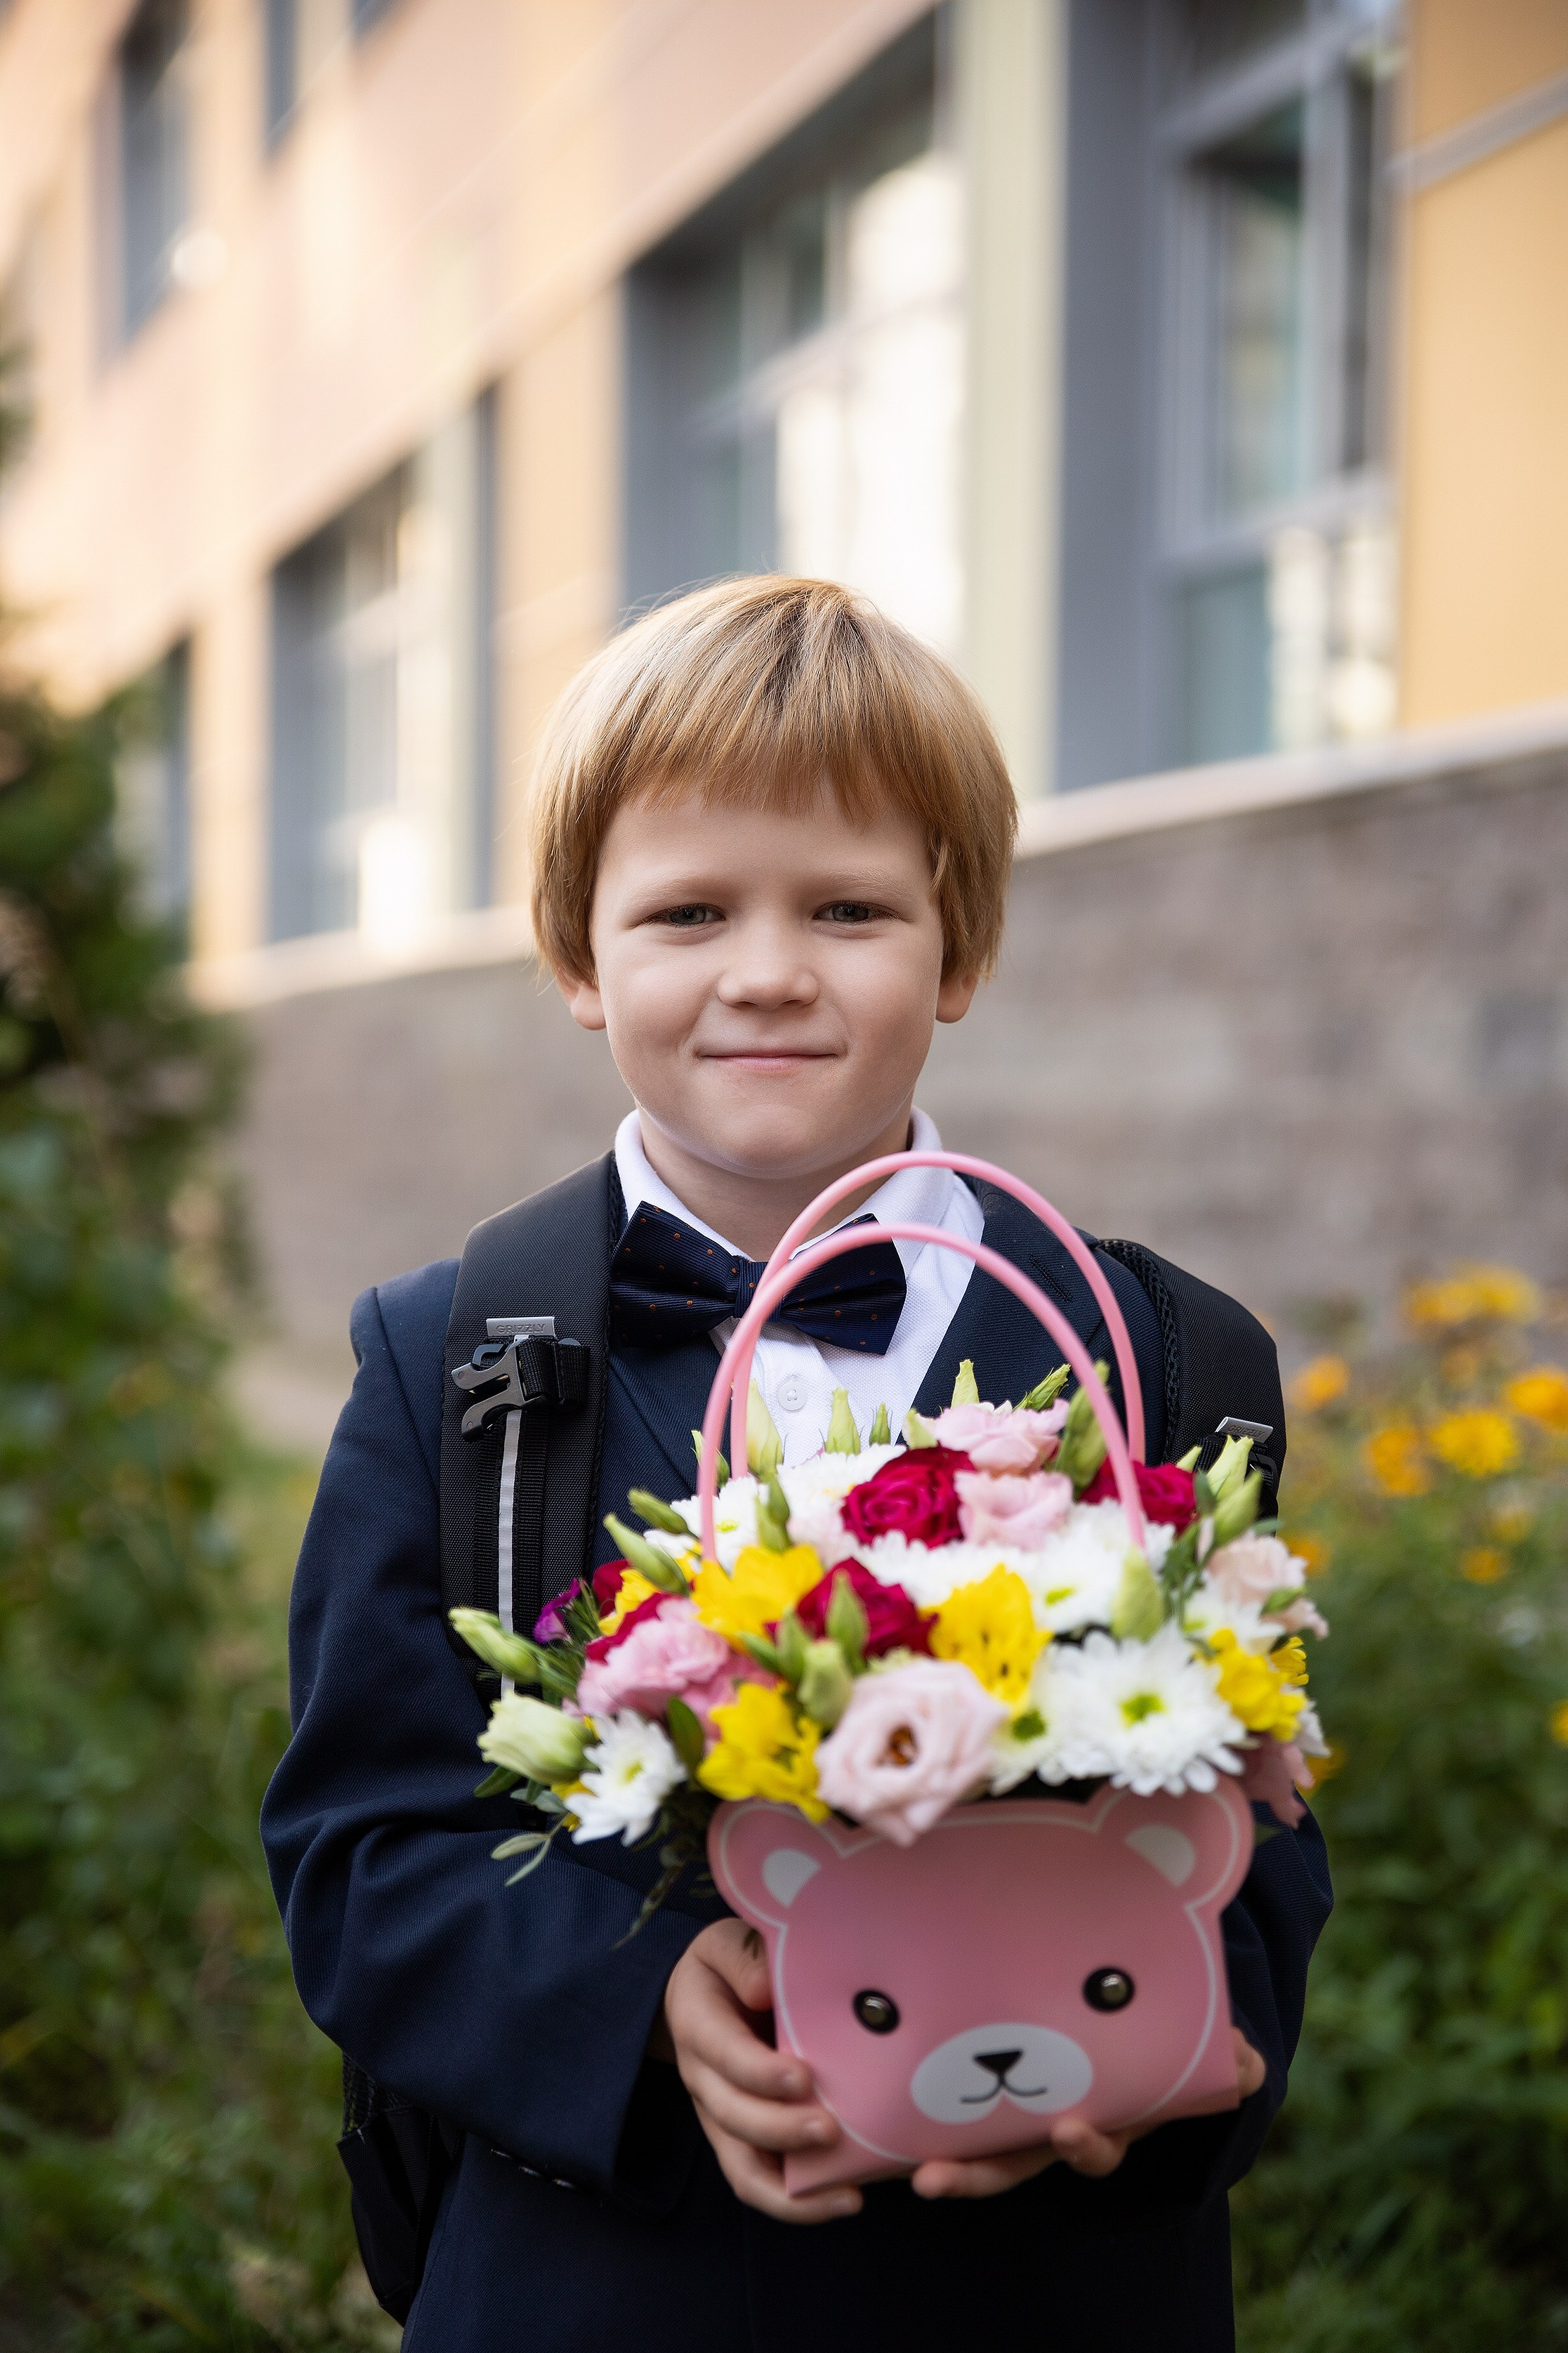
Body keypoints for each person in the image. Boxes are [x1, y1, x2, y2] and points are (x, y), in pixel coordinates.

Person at [261, 577, 1331, 2352]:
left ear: (957, 950)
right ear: (579, 959)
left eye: (848, 907)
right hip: (610, 2280)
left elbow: (1260, 1824)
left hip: (1048, 2285)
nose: (766, 969)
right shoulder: (453, 1368)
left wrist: (1149, 2058)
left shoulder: (1164, 1358)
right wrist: (639, 1995)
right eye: (688, 910)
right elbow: (363, 1853)